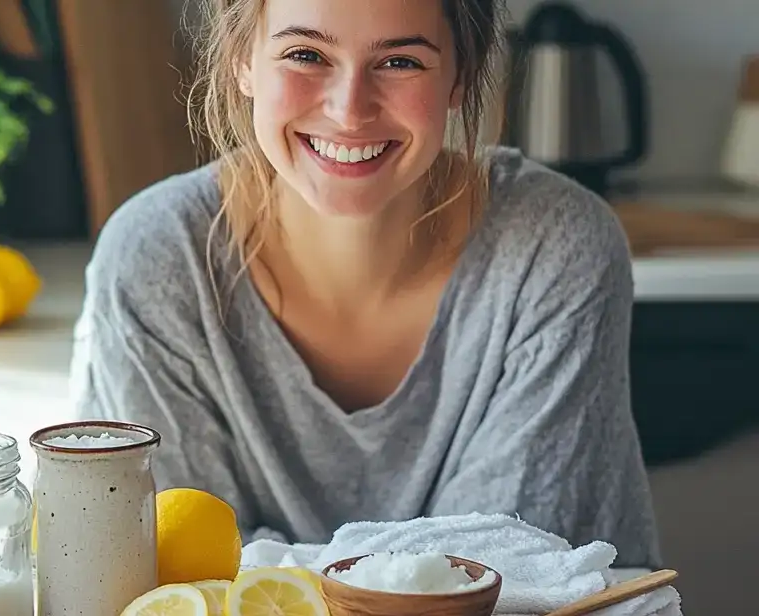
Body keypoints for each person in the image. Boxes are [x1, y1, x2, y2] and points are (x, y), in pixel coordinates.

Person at [70, 0, 662, 569]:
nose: (350, 111)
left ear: (461, 75)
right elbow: (181, 570)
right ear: (242, 57)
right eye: (306, 54)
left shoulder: (555, 247)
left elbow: (506, 578)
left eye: (401, 61)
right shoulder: (156, 259)